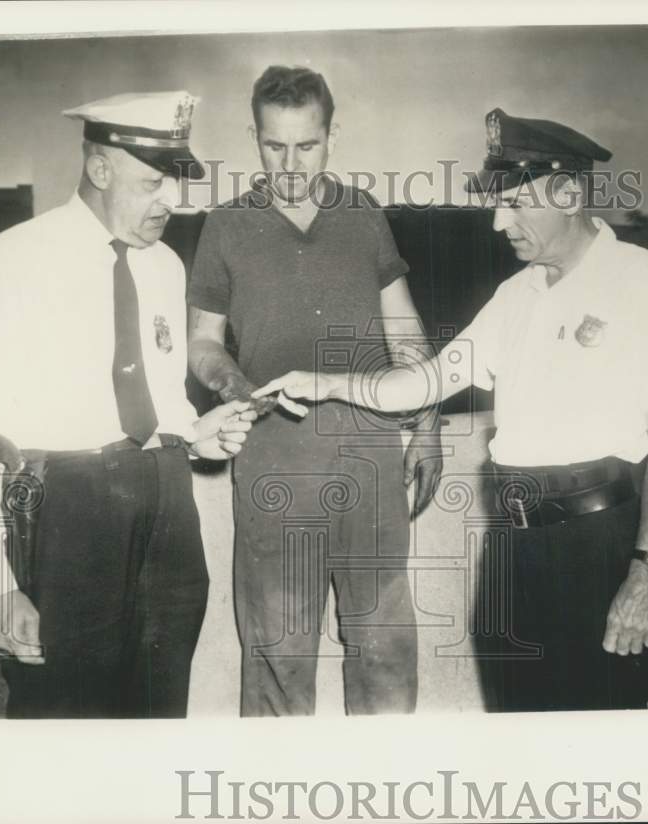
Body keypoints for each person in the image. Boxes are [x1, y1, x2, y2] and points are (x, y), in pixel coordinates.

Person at [255, 108, 648, 712]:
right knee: (517, 726)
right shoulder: (515, 295)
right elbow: (425, 383)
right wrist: (328, 383)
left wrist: (646, 575)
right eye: (498, 204)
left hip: (596, 547)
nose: (500, 223)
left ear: (569, 192)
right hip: (512, 550)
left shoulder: (642, 280)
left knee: (601, 738)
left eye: (517, 203)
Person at [0, 91, 257, 718]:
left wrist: (196, 434)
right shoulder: (17, 257)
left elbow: (158, 400)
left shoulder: (165, 265)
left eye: (176, 186)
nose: (172, 202)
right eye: (151, 184)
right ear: (100, 168)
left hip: (167, 514)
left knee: (157, 717)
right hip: (66, 515)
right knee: (61, 727)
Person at [187, 66, 442, 716]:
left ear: (331, 136)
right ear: (254, 137)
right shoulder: (226, 225)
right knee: (280, 661)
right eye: (275, 146)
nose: (291, 163)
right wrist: (238, 388)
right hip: (275, 477)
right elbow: (201, 342)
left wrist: (431, 421)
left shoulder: (363, 216)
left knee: (384, 653)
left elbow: (404, 326)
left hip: (371, 469)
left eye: (307, 145)